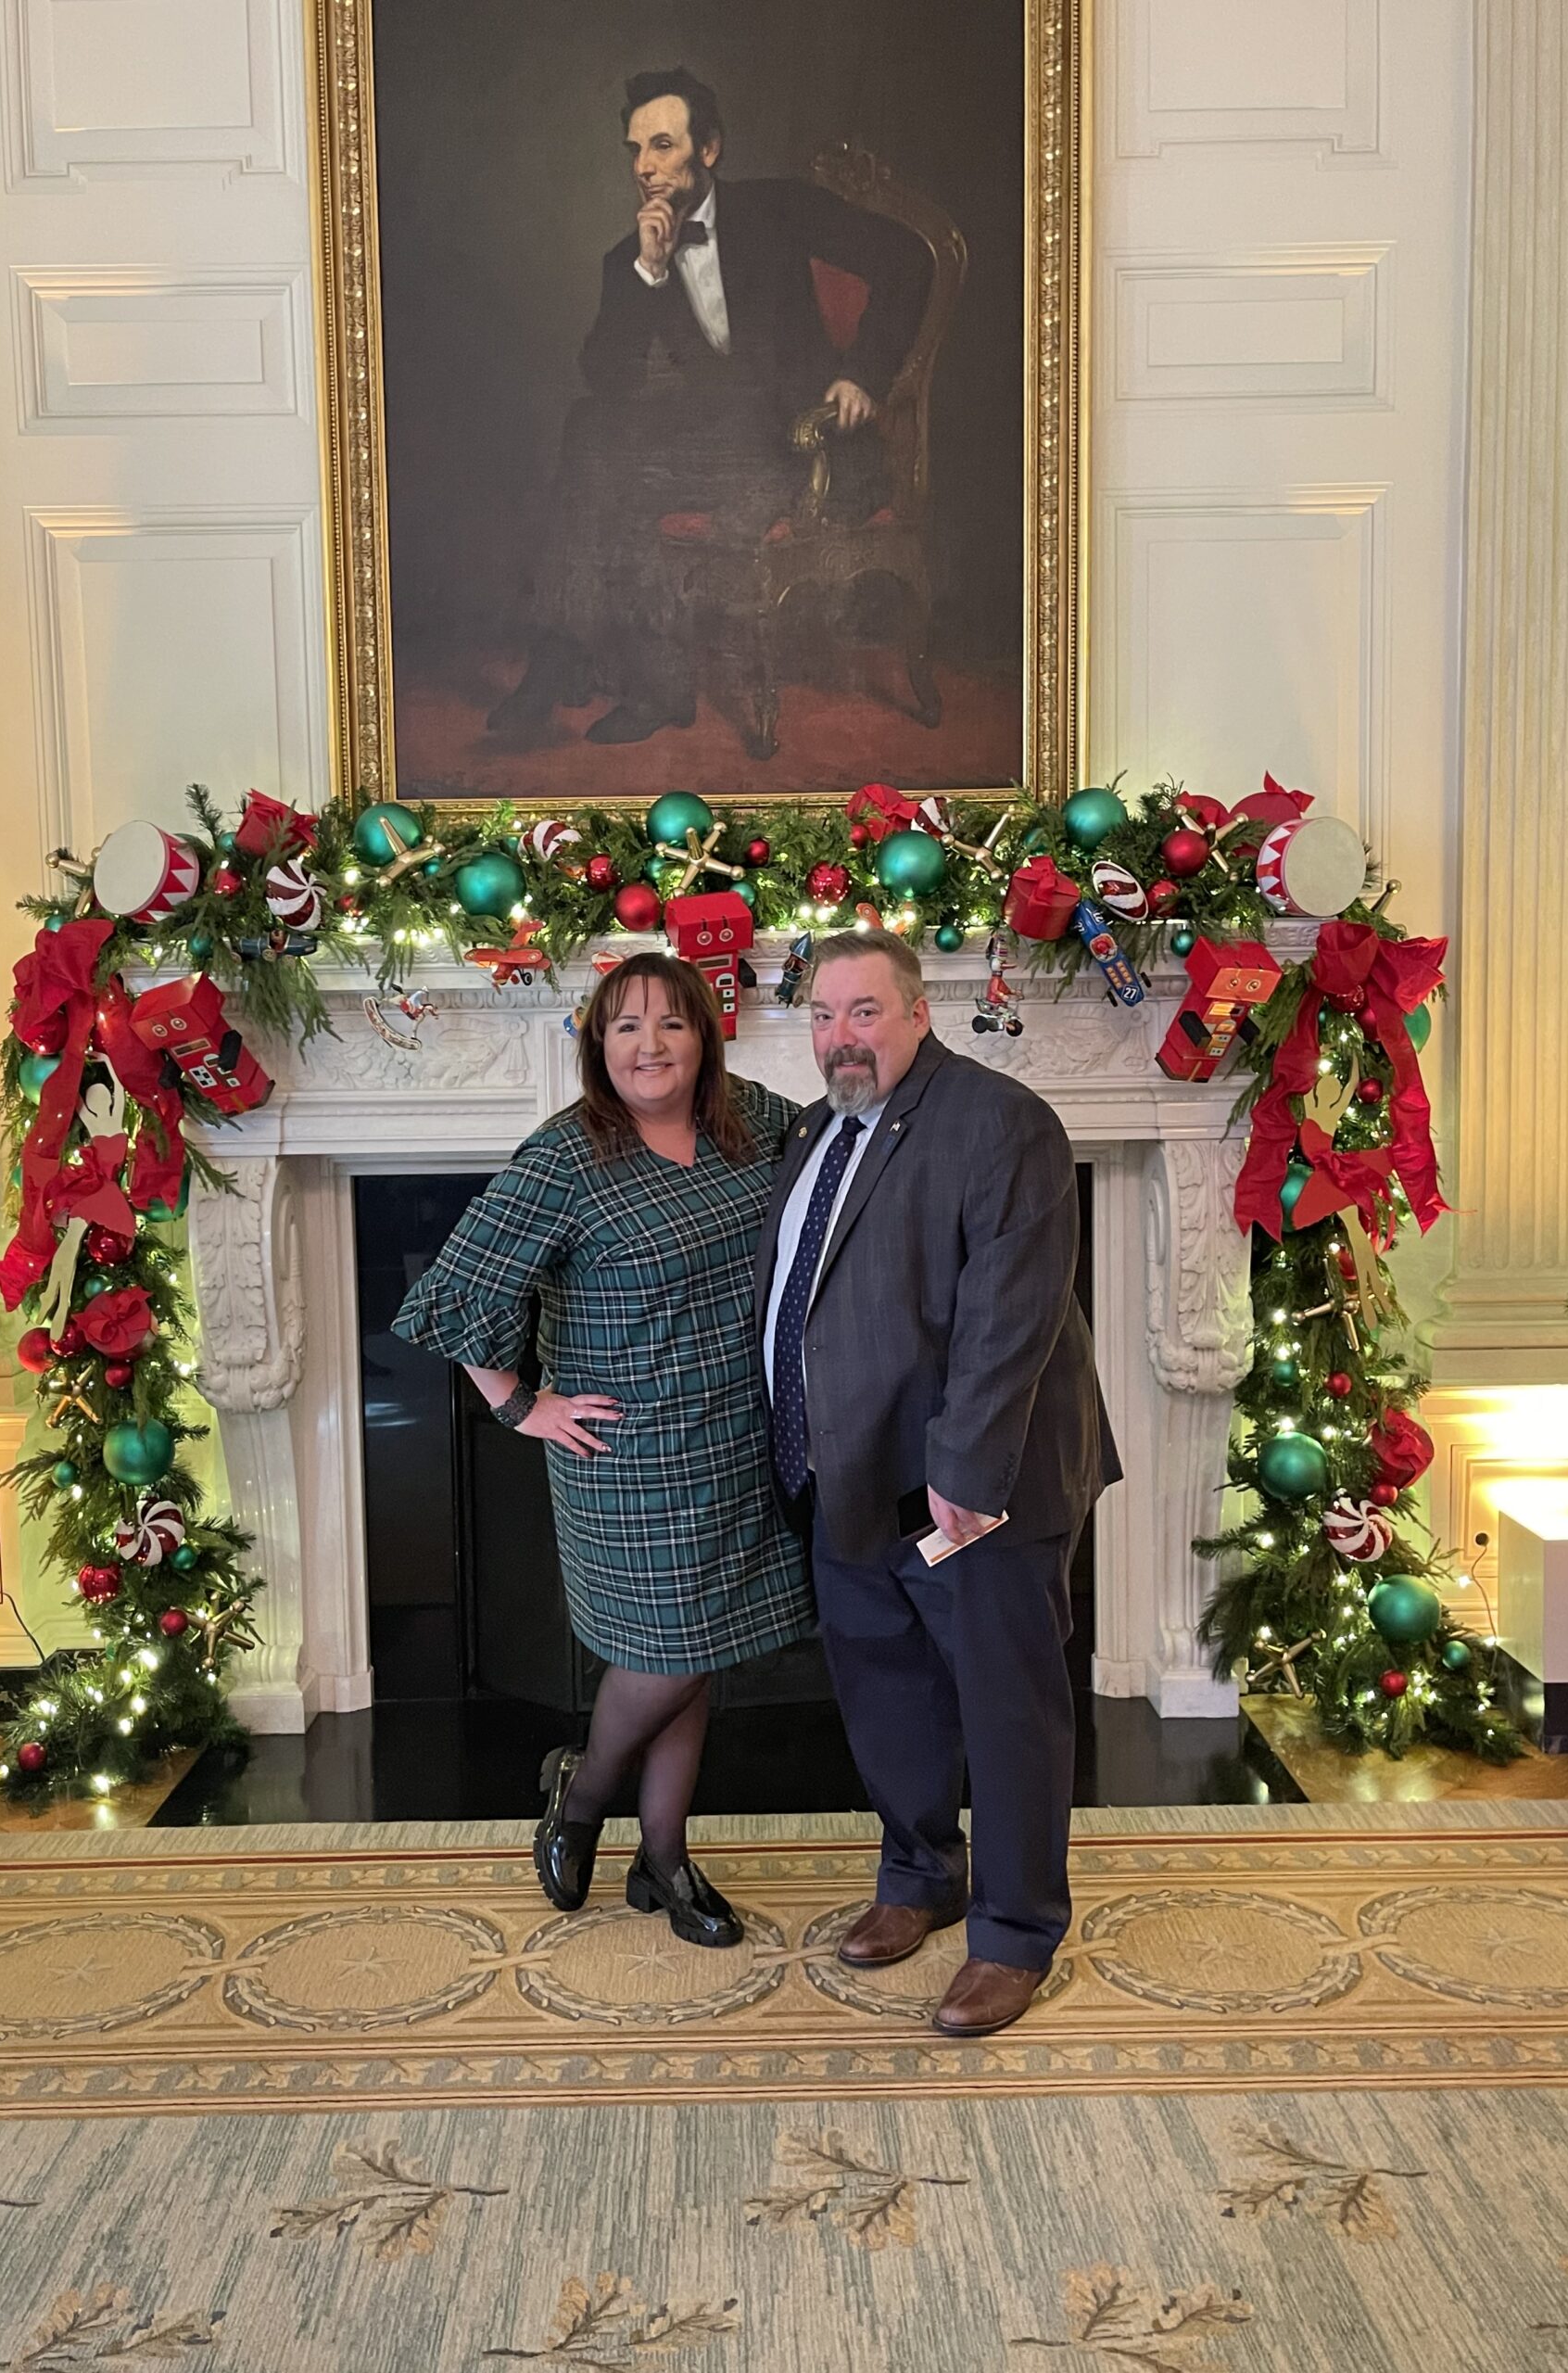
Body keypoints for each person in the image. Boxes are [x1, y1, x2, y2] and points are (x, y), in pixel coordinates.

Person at [394, 953, 813, 1948]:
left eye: (672, 1022)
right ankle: (582, 1795)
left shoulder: (749, 1121)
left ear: (705, 1036)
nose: (650, 1045)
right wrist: (519, 1404)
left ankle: (663, 1856)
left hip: (738, 1437)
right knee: (662, 1654)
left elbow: (845, 1168)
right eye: (626, 1026)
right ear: (597, 1045)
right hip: (624, 1453)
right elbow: (455, 1295)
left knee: (696, 1653)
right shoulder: (566, 1156)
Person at [758, 931, 1119, 2036]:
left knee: (1007, 1708)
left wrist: (964, 1480)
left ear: (920, 1012)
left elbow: (1012, 1315)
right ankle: (919, 1875)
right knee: (889, 1693)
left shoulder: (1001, 1123)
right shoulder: (820, 1131)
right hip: (851, 1473)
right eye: (823, 1015)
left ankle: (1014, 1934)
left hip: (974, 1489)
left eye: (864, 1011)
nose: (840, 1037)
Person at [491, 65, 930, 747]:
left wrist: (862, 376)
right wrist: (650, 272)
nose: (645, 166)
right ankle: (604, 672)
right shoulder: (630, 259)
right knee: (593, 432)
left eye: (662, 145)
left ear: (710, 149)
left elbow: (909, 258)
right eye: (635, 150)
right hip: (724, 445)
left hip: (808, 442)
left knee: (615, 474)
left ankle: (574, 665)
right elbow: (606, 379)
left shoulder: (780, 208)